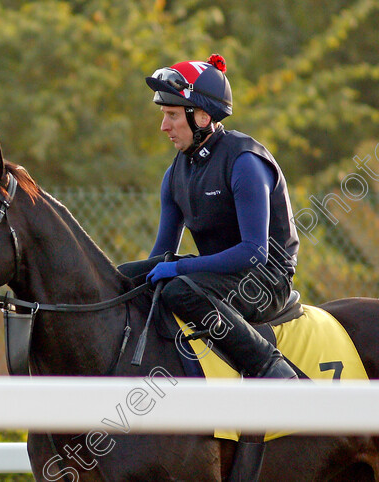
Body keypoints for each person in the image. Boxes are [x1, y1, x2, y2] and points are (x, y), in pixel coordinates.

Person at [120, 54, 300, 379]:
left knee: (177, 289)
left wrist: (177, 268)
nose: (163, 126)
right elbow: (160, 255)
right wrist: (139, 283)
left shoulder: (244, 161)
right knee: (124, 276)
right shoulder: (174, 174)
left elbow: (254, 253)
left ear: (202, 116)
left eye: (172, 115)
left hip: (265, 281)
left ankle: (272, 368)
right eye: (164, 115)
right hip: (217, 278)